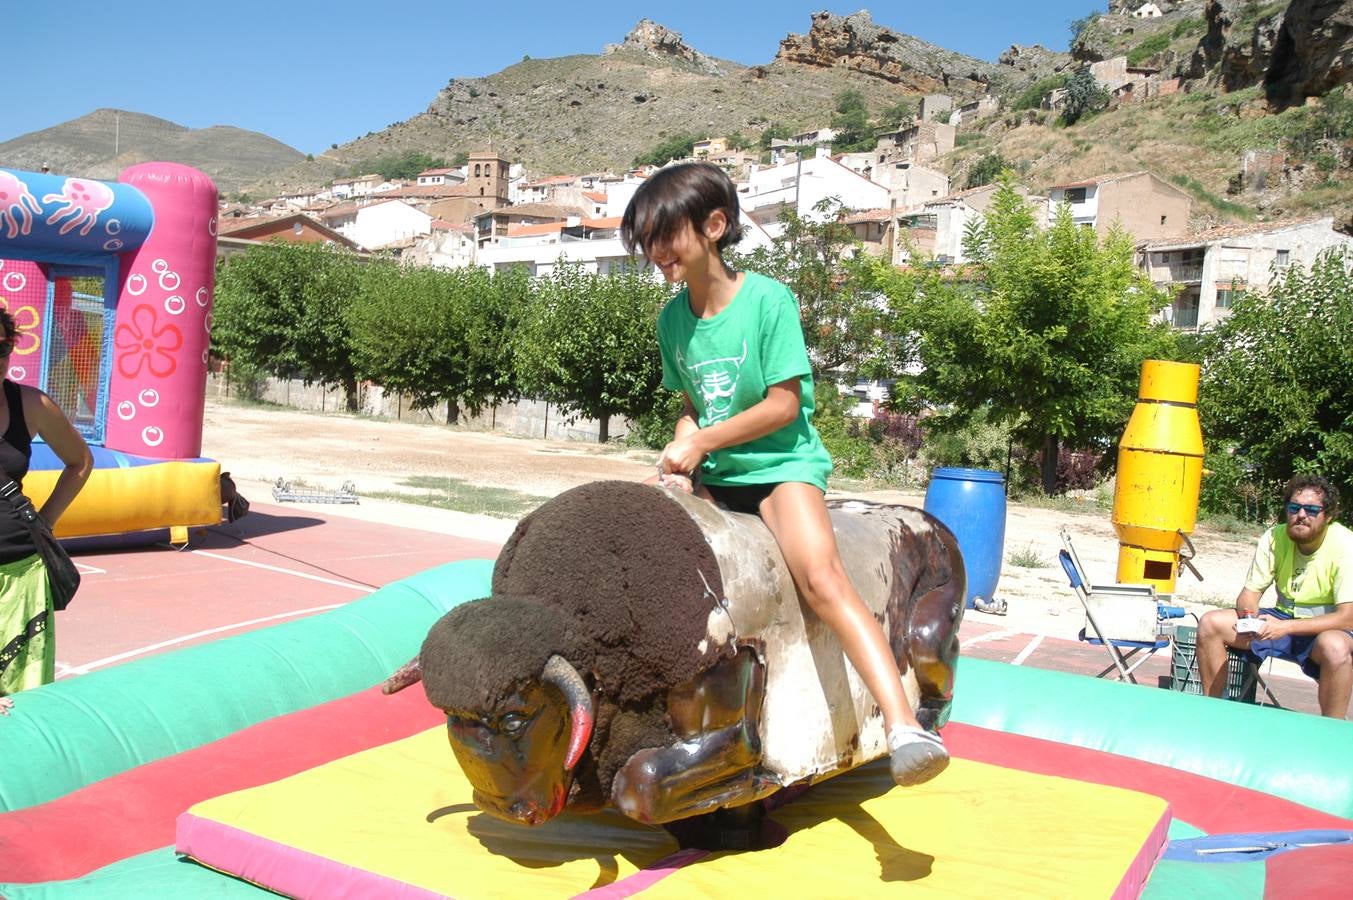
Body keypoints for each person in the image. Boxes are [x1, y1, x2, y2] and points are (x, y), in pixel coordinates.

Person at [620, 162, 949, 786]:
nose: (654, 252)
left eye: (665, 235)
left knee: (821, 581)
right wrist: (681, 449)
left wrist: (705, 442)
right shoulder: (672, 321)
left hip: (778, 467)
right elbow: (692, 404)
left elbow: (783, 405)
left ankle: (906, 726)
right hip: (716, 468)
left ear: (714, 226)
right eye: (645, 240)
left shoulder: (768, 300)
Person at [1197, 475, 1353, 718]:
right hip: (1280, 620)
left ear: (1328, 516)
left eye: (1312, 509)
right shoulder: (1273, 537)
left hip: (1324, 628)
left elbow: (1347, 619)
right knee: (1210, 623)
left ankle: (1332, 729)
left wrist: (1286, 627)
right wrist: (1249, 618)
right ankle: (1213, 711)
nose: (1301, 515)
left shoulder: (1345, 545)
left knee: (1335, 646)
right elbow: (1249, 595)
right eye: (1294, 507)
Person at [0, 309, 93, 714]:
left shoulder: (30, 404)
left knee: (24, 708)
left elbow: (80, 462)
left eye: (2, 348)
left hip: (23, 575)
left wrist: (45, 524)